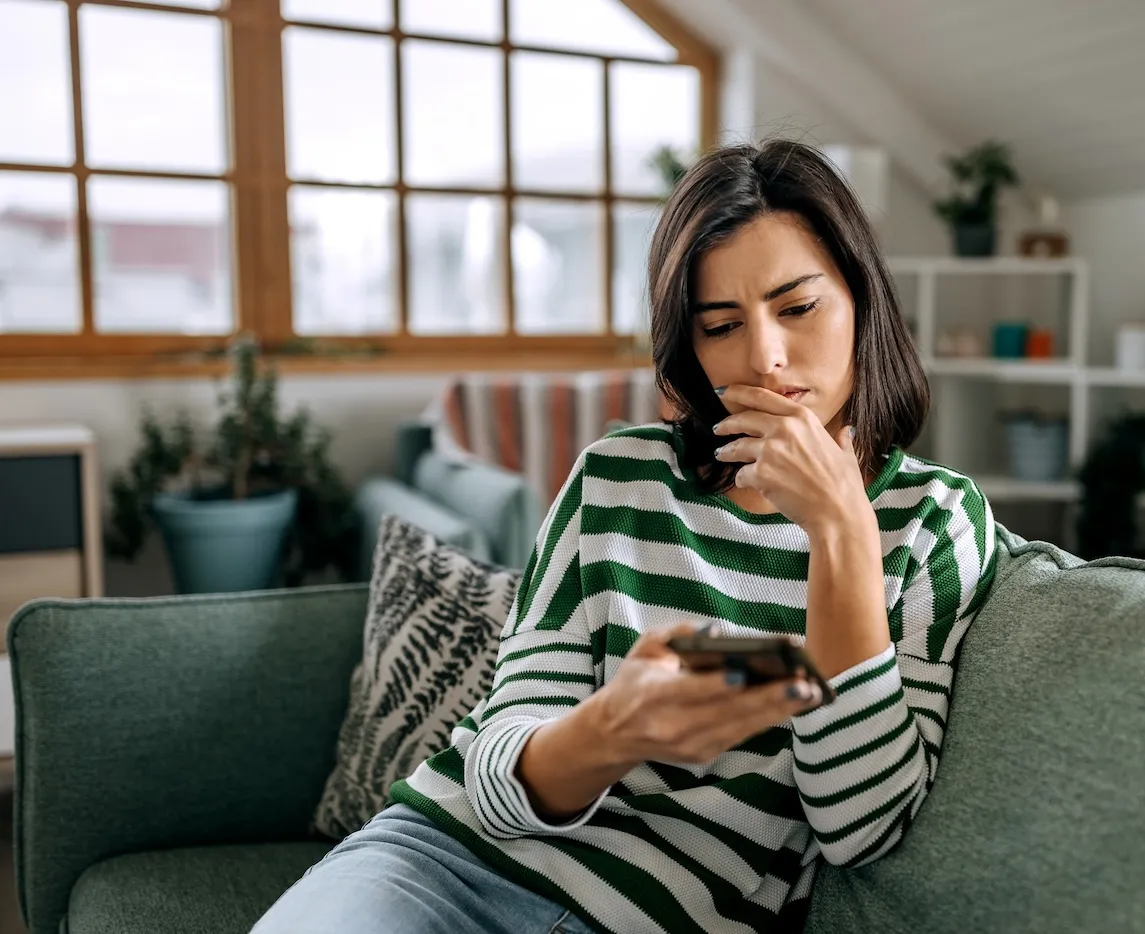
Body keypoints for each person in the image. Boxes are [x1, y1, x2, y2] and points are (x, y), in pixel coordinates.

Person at [252, 139, 997, 934]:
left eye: (798, 307)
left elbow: (861, 831)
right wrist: (616, 727)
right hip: (440, 866)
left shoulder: (932, 522)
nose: (765, 357)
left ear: (862, 299)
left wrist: (843, 528)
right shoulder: (617, 477)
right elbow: (497, 781)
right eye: (721, 325)